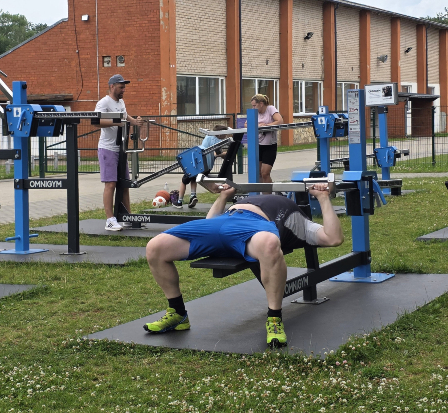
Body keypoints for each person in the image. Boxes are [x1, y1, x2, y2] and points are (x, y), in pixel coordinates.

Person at [143, 181, 343, 348]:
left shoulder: (298, 219)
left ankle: (274, 319)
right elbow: (211, 220)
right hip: (224, 220)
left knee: (270, 244)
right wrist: (223, 196)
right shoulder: (238, 202)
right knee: (155, 247)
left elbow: (333, 238)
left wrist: (323, 197)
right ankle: (178, 314)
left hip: (255, 228)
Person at [95, 74, 146, 231]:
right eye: (121, 87)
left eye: (124, 87)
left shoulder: (121, 102)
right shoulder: (104, 102)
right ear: (112, 87)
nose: (123, 89)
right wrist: (116, 122)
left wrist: (134, 122)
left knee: (124, 185)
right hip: (108, 148)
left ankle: (126, 217)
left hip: (121, 149)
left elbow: (124, 116)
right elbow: (96, 121)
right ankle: (110, 220)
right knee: (110, 184)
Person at [172, 125, 230, 209]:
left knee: (186, 179)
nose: (226, 136)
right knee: (192, 178)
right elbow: (219, 154)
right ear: (220, 134)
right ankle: (191, 197)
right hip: (205, 166)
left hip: (199, 164)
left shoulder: (209, 136)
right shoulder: (217, 140)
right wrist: (227, 153)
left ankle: (180, 202)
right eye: (225, 134)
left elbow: (216, 153)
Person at [250, 94, 283, 191]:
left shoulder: (270, 109)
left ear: (261, 104)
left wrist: (267, 125)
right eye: (252, 106)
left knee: (265, 173)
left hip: (269, 146)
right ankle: (263, 196)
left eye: (254, 105)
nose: (253, 108)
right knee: (259, 173)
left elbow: (279, 120)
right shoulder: (254, 113)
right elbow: (246, 123)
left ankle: (270, 197)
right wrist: (258, 125)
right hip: (258, 145)